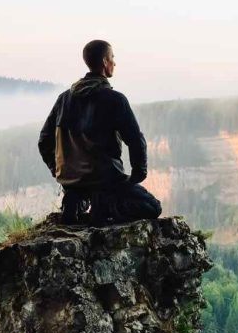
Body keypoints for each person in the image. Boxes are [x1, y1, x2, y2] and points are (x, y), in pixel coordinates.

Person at [38, 40, 162, 225]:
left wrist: (60, 173)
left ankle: (76, 201)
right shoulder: (115, 100)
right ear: (105, 62)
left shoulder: (64, 99)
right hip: (105, 180)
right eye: (112, 58)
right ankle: (105, 206)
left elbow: (44, 140)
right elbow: (136, 141)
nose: (114, 62)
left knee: (81, 193)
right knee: (153, 207)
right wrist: (136, 176)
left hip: (73, 183)